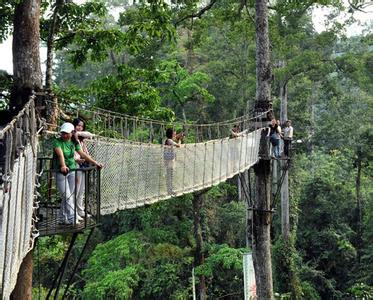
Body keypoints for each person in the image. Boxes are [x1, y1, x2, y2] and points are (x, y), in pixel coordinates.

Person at [53, 122, 102, 225]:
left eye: (67, 133)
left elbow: (82, 154)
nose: (64, 135)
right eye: (63, 133)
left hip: (72, 170)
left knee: (68, 195)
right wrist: (62, 166)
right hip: (60, 171)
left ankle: (62, 217)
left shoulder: (74, 143)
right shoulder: (57, 141)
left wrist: (95, 162)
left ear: (72, 133)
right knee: (66, 195)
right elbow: (60, 155)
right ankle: (72, 219)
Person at [73, 118, 94, 218]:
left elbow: (85, 153)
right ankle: (73, 213)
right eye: (78, 125)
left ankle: (80, 211)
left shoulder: (81, 141)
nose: (80, 128)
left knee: (81, 190)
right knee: (75, 190)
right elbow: (88, 134)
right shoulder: (73, 136)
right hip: (75, 165)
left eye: (82, 126)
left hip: (82, 165)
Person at [164, 128, 182, 195]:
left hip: (169, 160)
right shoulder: (169, 141)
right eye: (174, 133)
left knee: (170, 176)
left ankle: (170, 190)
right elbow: (178, 146)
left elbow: (174, 139)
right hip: (169, 161)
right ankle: (169, 191)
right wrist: (180, 139)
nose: (175, 134)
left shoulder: (169, 140)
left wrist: (178, 136)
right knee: (169, 176)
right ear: (171, 134)